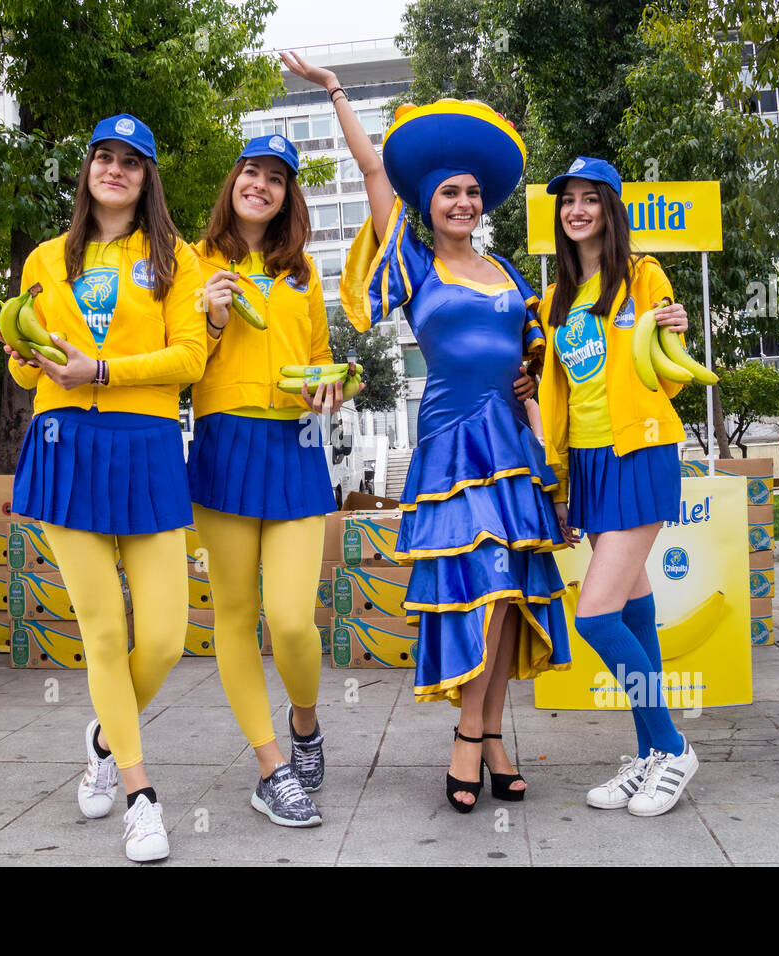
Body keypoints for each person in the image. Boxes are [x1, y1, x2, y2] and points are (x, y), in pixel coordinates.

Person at [285, 51, 570, 814]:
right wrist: (334, 90)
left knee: (512, 593)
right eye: (450, 192)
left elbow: (535, 366)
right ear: (430, 200)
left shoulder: (510, 273)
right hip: (450, 443)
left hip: (513, 447)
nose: (464, 202)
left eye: (474, 193)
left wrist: (550, 449)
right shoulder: (411, 260)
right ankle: (472, 738)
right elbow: (375, 170)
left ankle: (488, 735)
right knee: (475, 593)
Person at [0, 113, 206, 862]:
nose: (115, 170)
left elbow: (190, 359)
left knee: (168, 638)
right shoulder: (45, 260)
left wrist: (106, 372)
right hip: (64, 447)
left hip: (146, 449)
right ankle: (142, 798)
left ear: (147, 178)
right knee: (106, 634)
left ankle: (103, 738)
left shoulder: (175, 260)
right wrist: (23, 355)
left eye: (131, 161)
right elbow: (30, 370)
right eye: (103, 158)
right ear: (87, 170)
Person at [536, 157, 698, 818]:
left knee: (596, 615)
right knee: (632, 607)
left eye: (587, 200)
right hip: (589, 461)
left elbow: (673, 371)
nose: (576, 210)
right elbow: (556, 394)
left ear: (609, 207)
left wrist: (677, 335)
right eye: (567, 201)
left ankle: (673, 745)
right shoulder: (556, 297)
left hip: (641, 449)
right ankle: (651, 756)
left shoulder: (642, 276)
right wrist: (562, 479)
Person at [188, 133, 341, 828]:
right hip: (224, 441)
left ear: (288, 197)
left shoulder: (304, 271)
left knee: (291, 620)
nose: (261, 184)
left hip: (298, 445)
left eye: (276, 178)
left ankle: (305, 722)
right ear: (234, 182)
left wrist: (331, 393)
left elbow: (321, 359)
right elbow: (179, 367)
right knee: (236, 619)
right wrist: (213, 317)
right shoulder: (192, 262)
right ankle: (272, 767)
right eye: (251, 171)